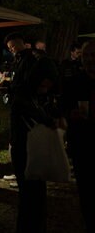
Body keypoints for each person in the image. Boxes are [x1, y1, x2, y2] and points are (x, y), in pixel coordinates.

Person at [0, 32, 60, 233]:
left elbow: (26, 90)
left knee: (30, 179)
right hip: (25, 126)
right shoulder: (22, 63)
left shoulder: (33, 62)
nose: (13, 50)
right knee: (30, 181)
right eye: (11, 47)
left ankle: (31, 221)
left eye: (15, 46)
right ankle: (32, 219)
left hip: (28, 129)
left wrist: (14, 90)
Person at [61, 40, 95, 233]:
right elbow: (63, 107)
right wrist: (69, 113)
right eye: (87, 56)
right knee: (87, 192)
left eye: (93, 55)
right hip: (83, 144)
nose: (90, 60)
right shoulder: (74, 82)